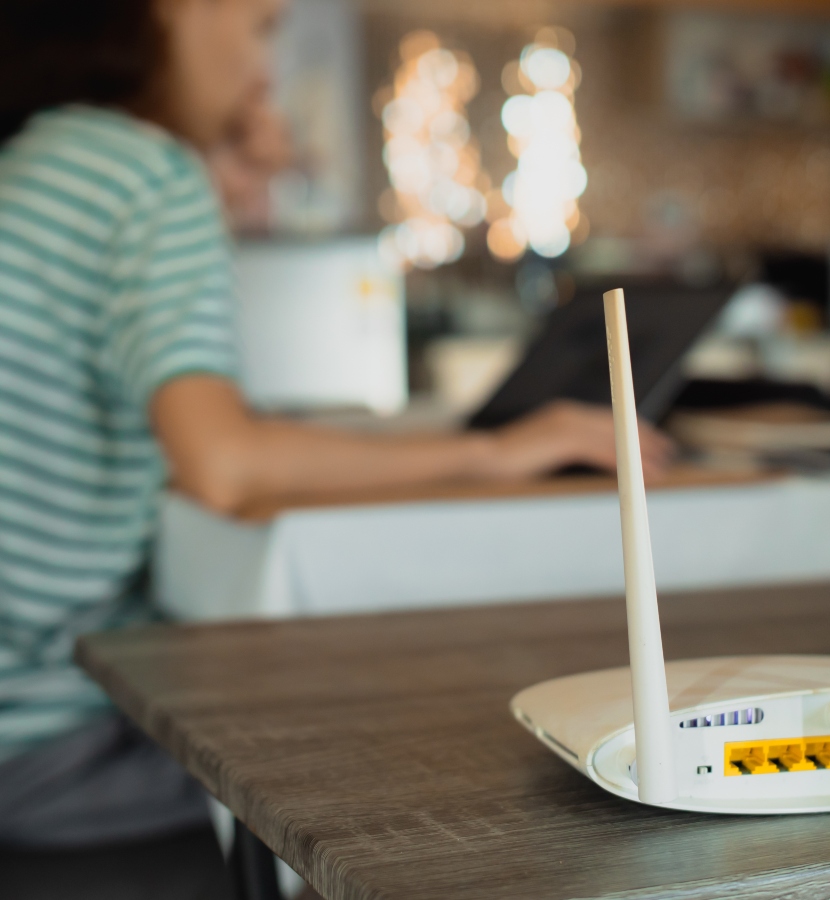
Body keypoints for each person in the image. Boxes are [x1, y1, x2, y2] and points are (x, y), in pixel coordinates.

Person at [0, 0, 671, 892]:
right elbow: (225, 462)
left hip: (35, 714)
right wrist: (492, 454)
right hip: (46, 740)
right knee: (463, 754)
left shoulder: (47, 155)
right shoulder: (140, 172)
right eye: (261, 25)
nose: (264, 69)